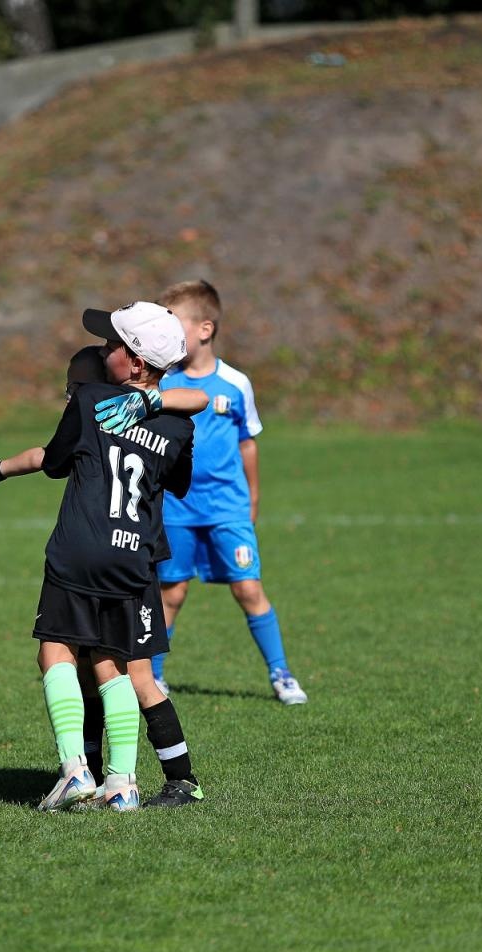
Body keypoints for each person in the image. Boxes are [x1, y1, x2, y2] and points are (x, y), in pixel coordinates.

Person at [0, 302, 195, 812]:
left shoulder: (89, 402)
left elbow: (55, 461)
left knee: (56, 652)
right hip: (134, 557)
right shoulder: (178, 425)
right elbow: (177, 481)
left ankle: (75, 771)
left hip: (81, 549)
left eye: (113, 346)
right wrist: (154, 407)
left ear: (133, 362)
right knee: (114, 665)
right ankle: (123, 786)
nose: (104, 350)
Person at [150, 280, 307, 706]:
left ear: (205, 328)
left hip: (227, 508)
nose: (164, 336)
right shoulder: (162, 384)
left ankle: (281, 674)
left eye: (173, 325)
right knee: (172, 592)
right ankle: (154, 676)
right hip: (176, 508)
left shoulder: (236, 384)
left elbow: (248, 442)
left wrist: (252, 498)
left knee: (248, 589)